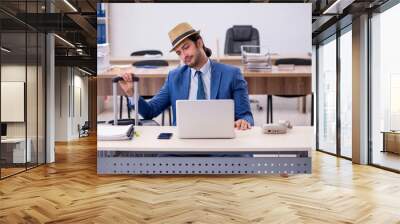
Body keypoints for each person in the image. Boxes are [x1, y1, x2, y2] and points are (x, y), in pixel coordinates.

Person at [119, 22, 254, 130]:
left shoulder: (231, 74)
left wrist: (243, 121)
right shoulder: (174, 77)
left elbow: (246, 116)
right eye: (179, 52)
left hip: (222, 145)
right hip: (184, 146)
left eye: (186, 47)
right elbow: (150, 111)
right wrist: (131, 93)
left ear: (199, 43)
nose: (184, 56)